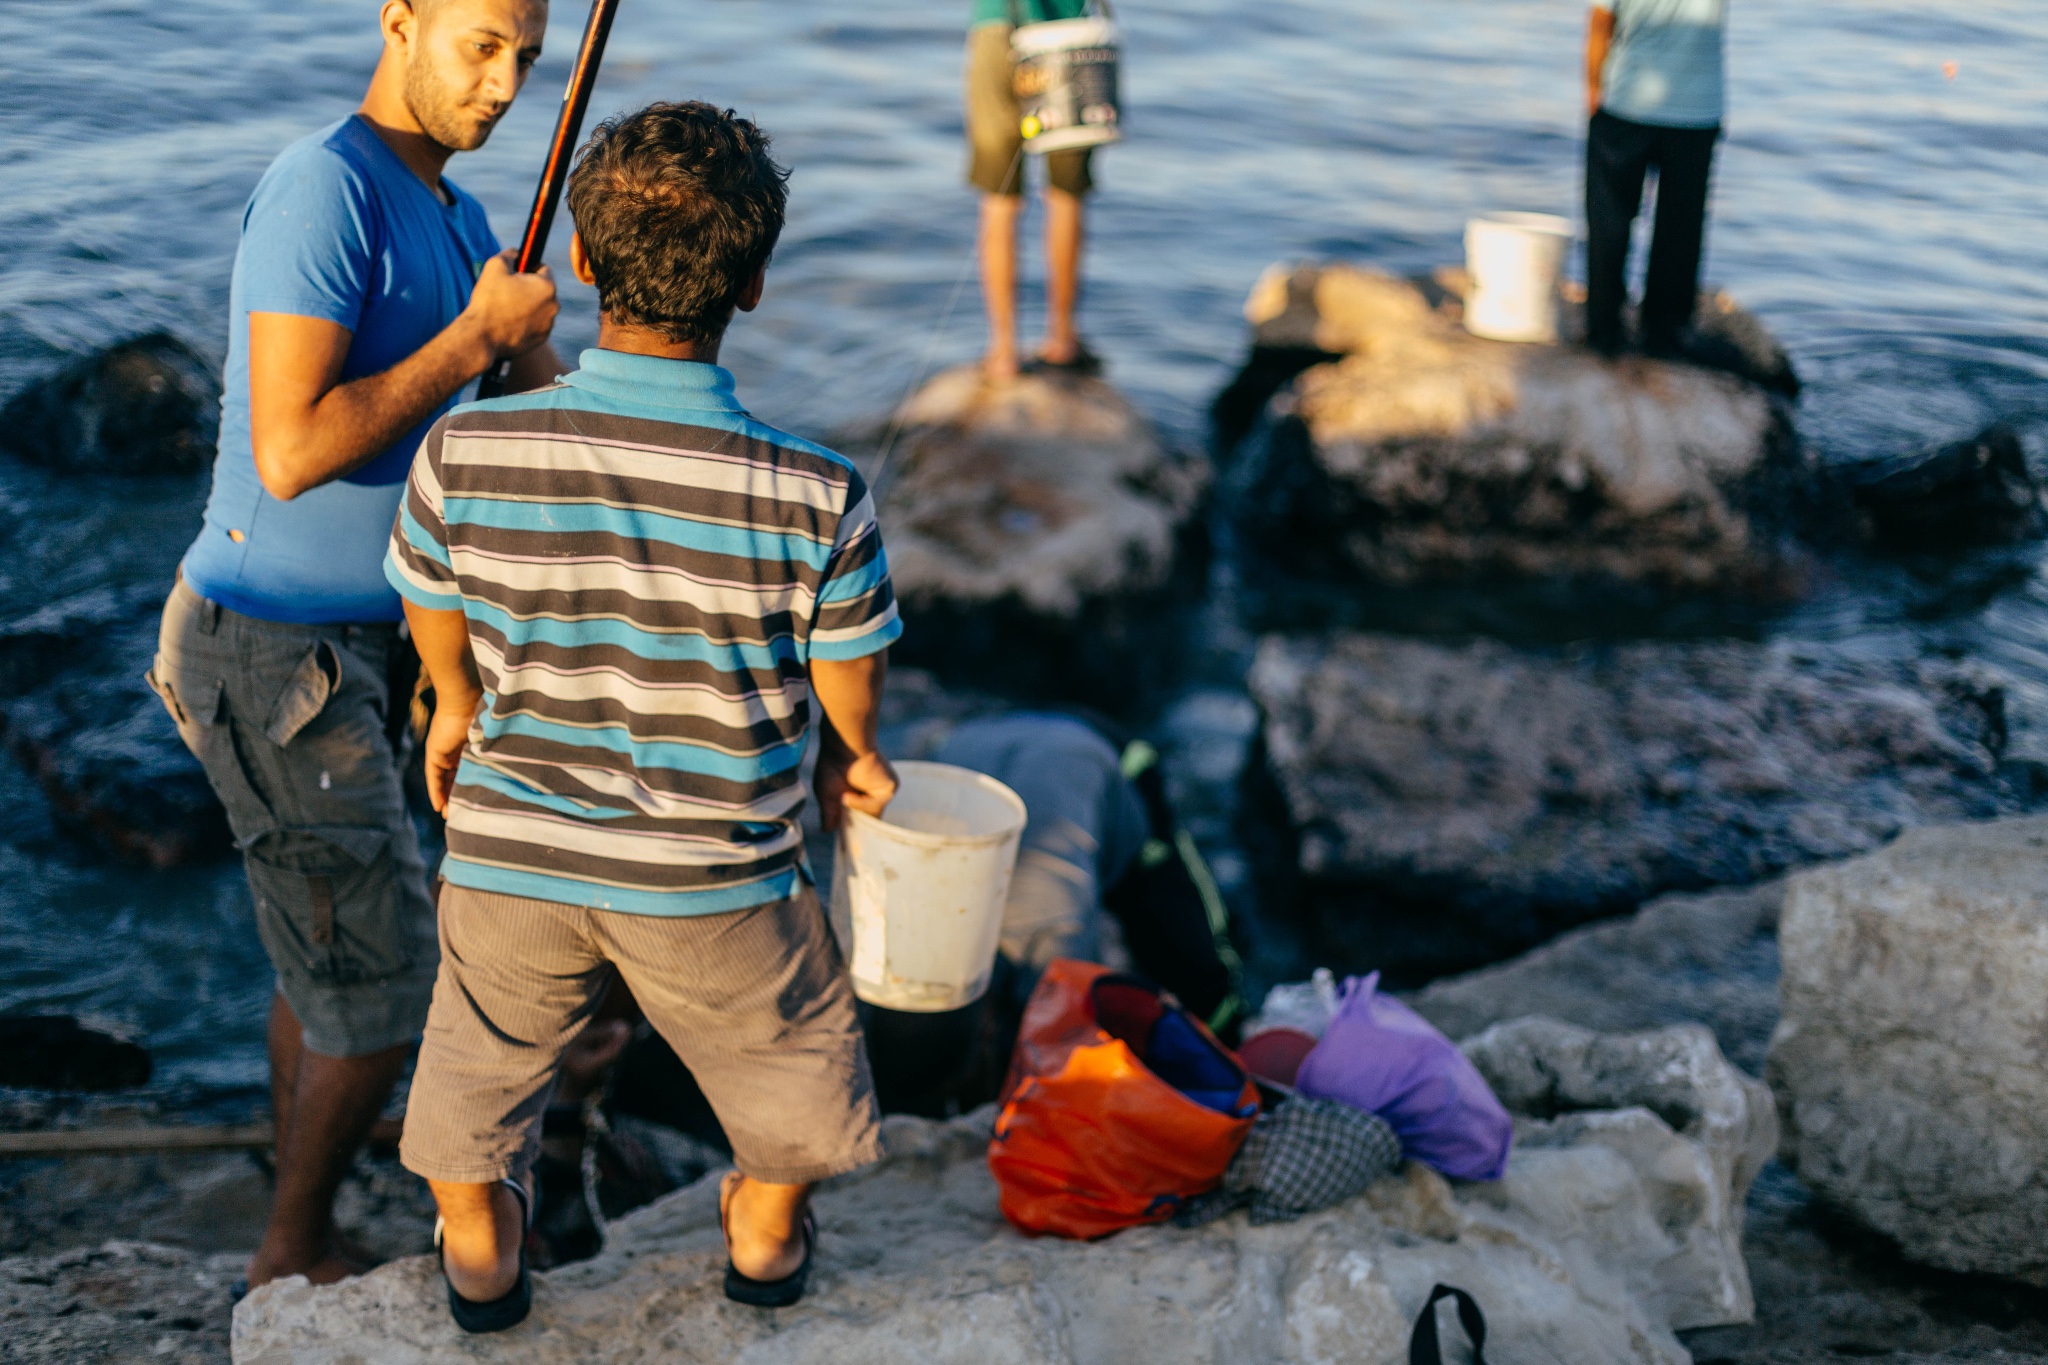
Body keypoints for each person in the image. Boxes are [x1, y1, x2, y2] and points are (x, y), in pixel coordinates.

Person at [386, 100, 901, 1330]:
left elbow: (431, 602)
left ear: (577, 260)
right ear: (757, 281)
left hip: (513, 853)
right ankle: (766, 1230)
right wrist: (855, 758)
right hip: (712, 882)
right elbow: (847, 671)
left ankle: (476, 1239)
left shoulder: (465, 450)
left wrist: (455, 708)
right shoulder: (815, 491)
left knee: (478, 1052)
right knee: (787, 1053)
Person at [147, 0, 561, 1291]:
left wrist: (561, 344)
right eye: (480, 44)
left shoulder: (466, 220)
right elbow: (295, 445)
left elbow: (526, 415)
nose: (501, 85)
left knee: (326, 958)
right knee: (386, 986)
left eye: (526, 60)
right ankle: (290, 1257)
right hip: (273, 653)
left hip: (375, 651)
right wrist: (473, 343)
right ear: (401, 21)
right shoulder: (324, 189)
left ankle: (298, 1212)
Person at [1582, 0, 1728, 357]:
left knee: (1609, 221)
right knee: (1681, 227)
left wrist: (1593, 93)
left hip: (1626, 103)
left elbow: (1601, 24)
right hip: (1698, 108)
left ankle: (1604, 328)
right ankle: (1666, 332)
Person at [966, 0, 1100, 380]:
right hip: (1072, 34)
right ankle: (1062, 339)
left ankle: (1004, 352)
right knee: (1067, 196)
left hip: (997, 27)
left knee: (999, 200)